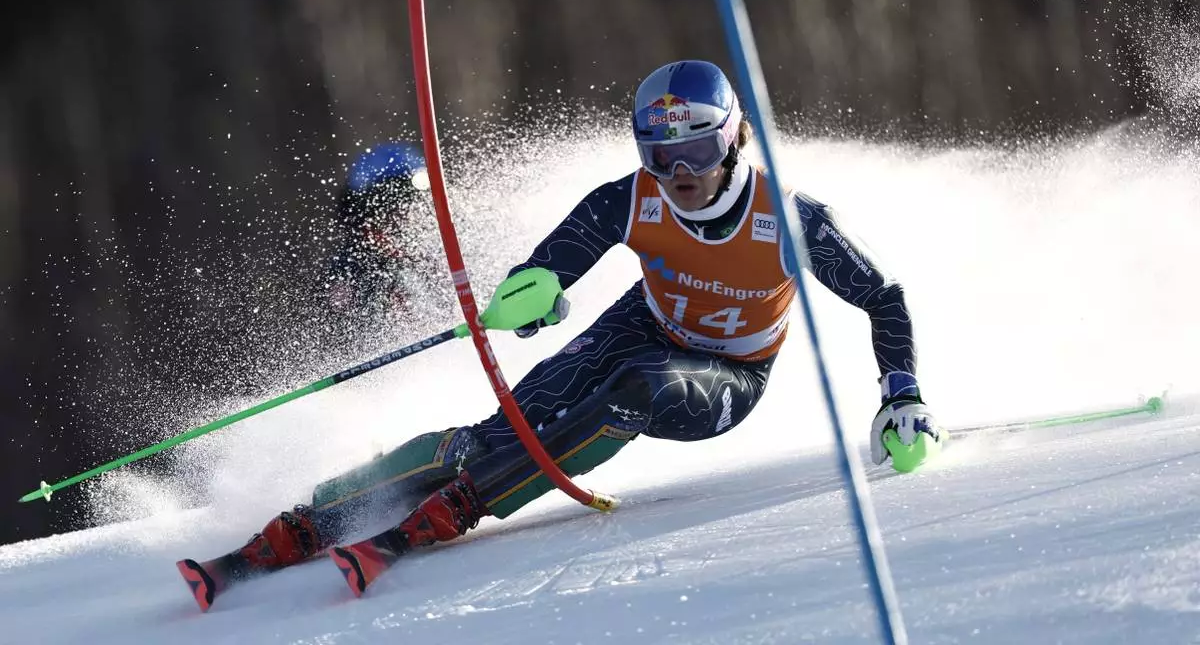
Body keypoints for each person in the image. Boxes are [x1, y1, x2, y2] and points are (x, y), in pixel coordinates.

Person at [179, 60, 941, 608]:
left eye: (698, 152)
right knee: (491, 433)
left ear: (735, 138)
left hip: (728, 374)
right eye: (660, 155)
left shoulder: (791, 220)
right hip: (640, 325)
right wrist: (532, 292)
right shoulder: (633, 199)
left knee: (632, 395)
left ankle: (457, 510)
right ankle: (308, 521)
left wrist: (900, 394)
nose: (681, 174)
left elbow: (886, 296)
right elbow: (557, 260)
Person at [323, 141, 433, 320]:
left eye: (413, 203)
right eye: (392, 207)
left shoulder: (433, 258)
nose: (405, 216)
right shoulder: (349, 274)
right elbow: (342, 336)